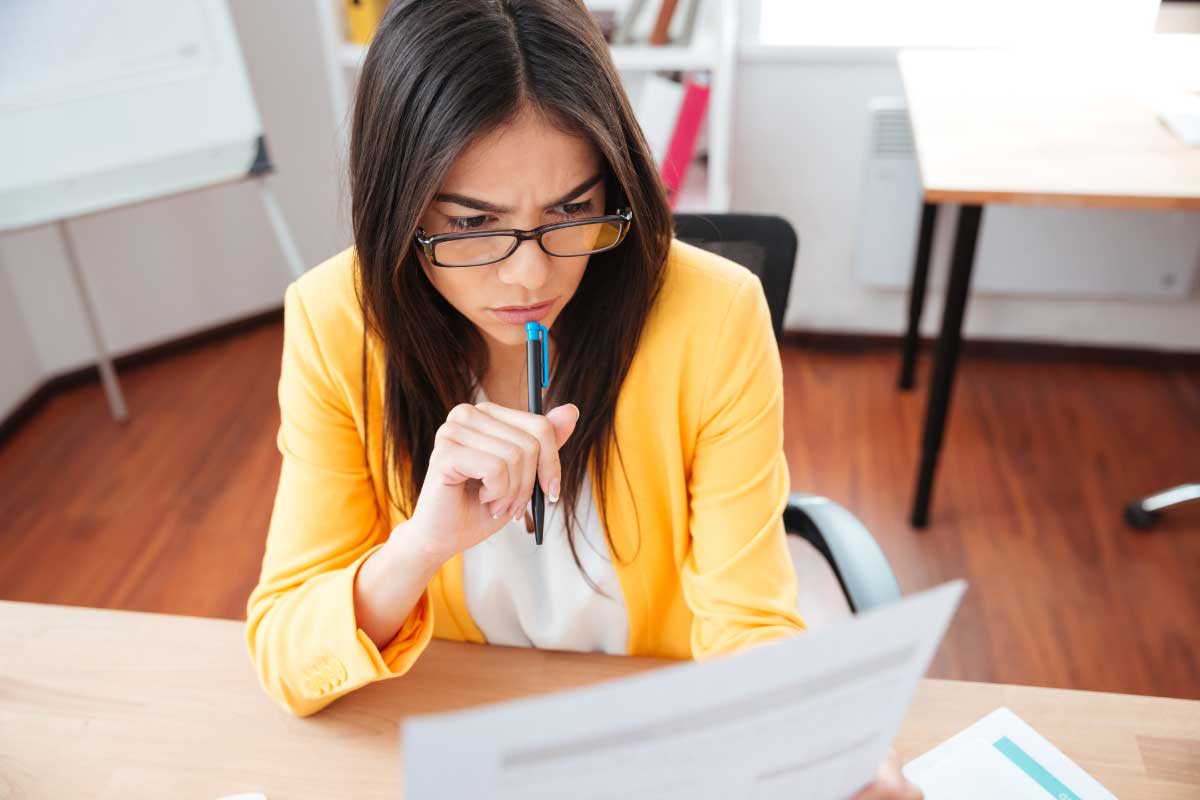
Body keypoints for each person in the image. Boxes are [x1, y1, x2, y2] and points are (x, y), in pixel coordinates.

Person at [246, 1, 920, 796]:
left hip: (660, 730)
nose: (531, 276)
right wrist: (418, 546)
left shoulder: (714, 314)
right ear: (400, 208)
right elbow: (286, 655)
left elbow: (747, 620)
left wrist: (808, 746)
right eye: (473, 225)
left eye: (571, 211)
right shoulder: (338, 323)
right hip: (465, 729)